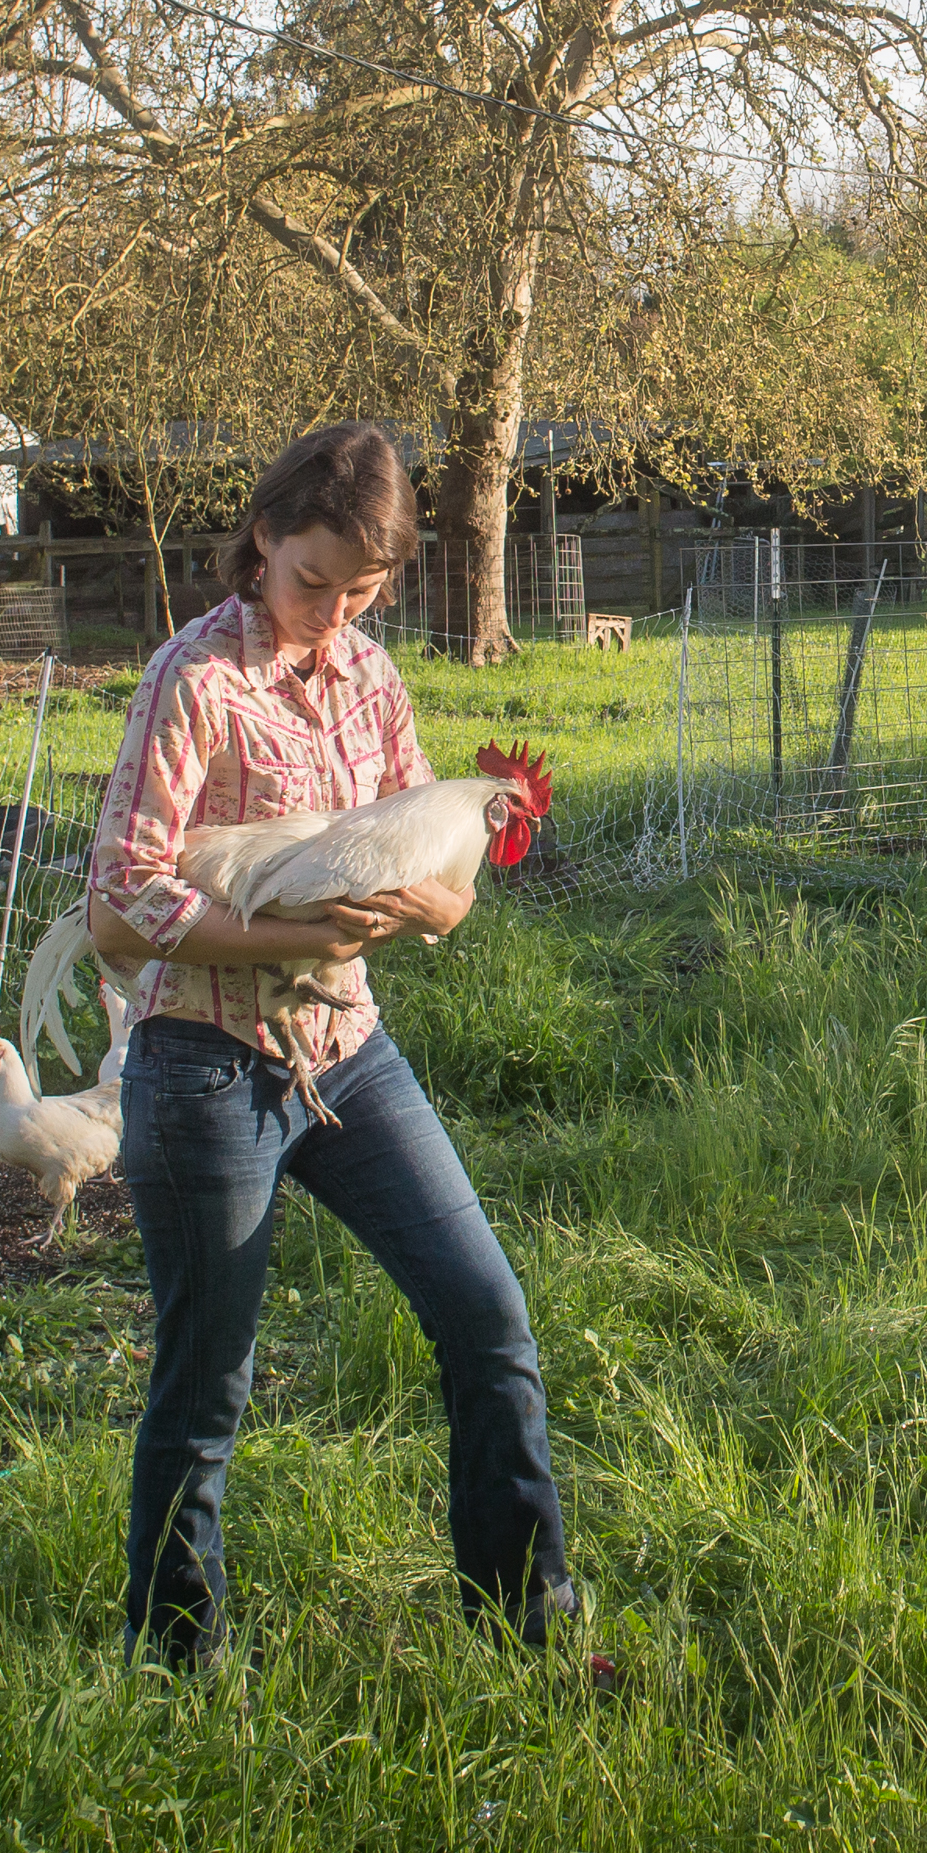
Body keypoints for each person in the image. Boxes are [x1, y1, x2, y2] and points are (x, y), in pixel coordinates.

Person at [86, 420, 573, 1664]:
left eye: (362, 589)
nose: (332, 611)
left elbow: (449, 896)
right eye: (314, 582)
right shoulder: (194, 679)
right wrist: (288, 935)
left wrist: (415, 909)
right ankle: (179, 1661)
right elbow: (119, 903)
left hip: (348, 1044)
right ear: (263, 539)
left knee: (489, 1317)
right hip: (205, 1062)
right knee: (207, 1385)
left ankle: (528, 1624)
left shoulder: (374, 681)